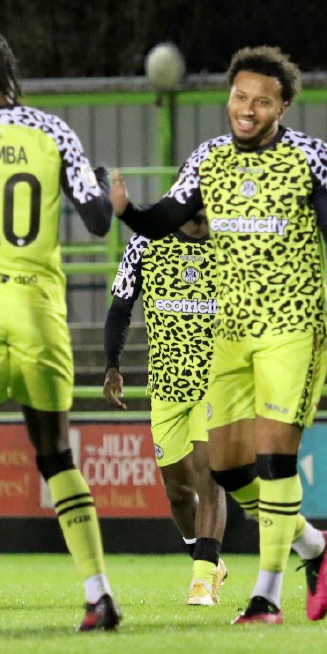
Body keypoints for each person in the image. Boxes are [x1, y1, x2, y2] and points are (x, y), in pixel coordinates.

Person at [112, 45, 327, 625]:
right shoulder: (209, 159)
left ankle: (266, 596)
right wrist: (128, 211)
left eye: (263, 101)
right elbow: (165, 220)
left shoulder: (310, 157)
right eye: (240, 97)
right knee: (226, 469)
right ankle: (315, 548)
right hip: (231, 333)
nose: (247, 109)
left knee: (274, 460)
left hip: (292, 331)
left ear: (284, 106)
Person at [0, 28, 122, 633]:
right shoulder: (52, 129)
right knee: (57, 456)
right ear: (14, 76)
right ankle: (99, 594)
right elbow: (95, 220)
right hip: (39, 310)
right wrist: (104, 178)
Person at [103, 209, 228, 606]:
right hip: (168, 387)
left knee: (209, 477)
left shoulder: (233, 244)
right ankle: (208, 559)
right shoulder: (145, 241)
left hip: (218, 383)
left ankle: (202, 580)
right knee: (177, 492)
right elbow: (121, 306)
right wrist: (112, 366)